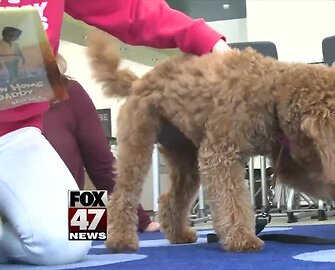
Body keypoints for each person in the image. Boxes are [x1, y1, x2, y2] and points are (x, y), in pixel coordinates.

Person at [0, 0, 229, 266]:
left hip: (17, 138)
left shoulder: (73, 94)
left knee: (73, 242)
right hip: (37, 178)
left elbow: (101, 162)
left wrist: (207, 40)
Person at [43, 55, 160, 233]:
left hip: (64, 211)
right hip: (13, 213)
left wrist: (141, 220)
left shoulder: (69, 92)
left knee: (82, 234)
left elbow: (102, 163)